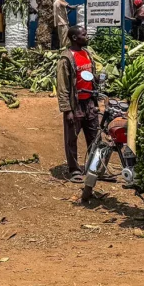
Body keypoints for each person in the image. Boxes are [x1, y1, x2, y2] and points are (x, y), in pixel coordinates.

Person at [56, 26, 100, 183]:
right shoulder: (66, 59)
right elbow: (62, 87)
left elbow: (90, 75)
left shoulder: (87, 54)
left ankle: (94, 169)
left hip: (90, 103)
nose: (87, 36)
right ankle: (74, 169)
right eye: (84, 34)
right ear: (74, 38)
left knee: (94, 137)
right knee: (72, 138)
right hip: (75, 105)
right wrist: (67, 109)